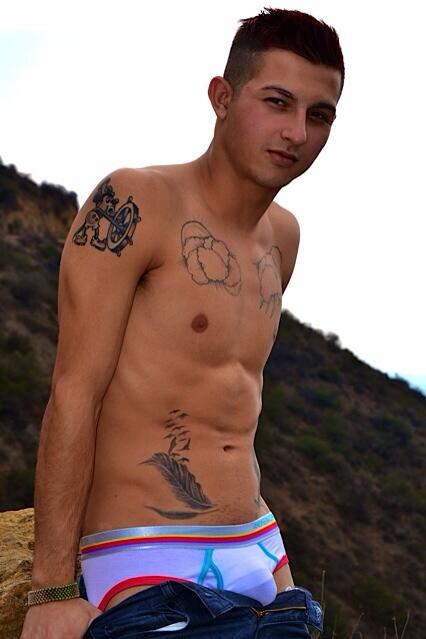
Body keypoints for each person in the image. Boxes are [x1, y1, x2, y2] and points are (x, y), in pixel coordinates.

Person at [20, 7, 344, 638]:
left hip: (265, 555)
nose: (296, 132)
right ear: (221, 97)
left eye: (319, 115)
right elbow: (74, 391)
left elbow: (232, 395)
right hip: (147, 558)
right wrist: (52, 587)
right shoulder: (136, 202)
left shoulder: (283, 237)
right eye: (277, 102)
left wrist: (276, 563)